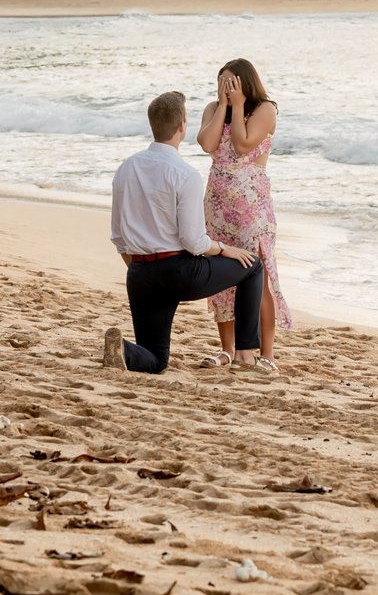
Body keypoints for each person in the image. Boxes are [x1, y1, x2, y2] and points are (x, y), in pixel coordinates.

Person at [104, 89, 265, 375]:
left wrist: (142, 269)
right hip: (179, 273)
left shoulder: (126, 168)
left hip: (139, 275)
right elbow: (194, 242)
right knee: (252, 265)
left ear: (153, 124)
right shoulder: (185, 174)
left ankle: (124, 349)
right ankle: (245, 354)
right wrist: (225, 248)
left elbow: (118, 237)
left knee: (155, 360)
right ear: (182, 126)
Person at [197, 59, 293, 372]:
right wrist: (225, 105)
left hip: (252, 205)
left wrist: (238, 106)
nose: (224, 88)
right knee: (223, 273)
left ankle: (266, 353)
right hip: (217, 203)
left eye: (231, 83)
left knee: (259, 273)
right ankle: (228, 349)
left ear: (244, 82)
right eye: (220, 82)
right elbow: (207, 143)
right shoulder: (214, 108)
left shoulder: (265, 109)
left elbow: (242, 145)